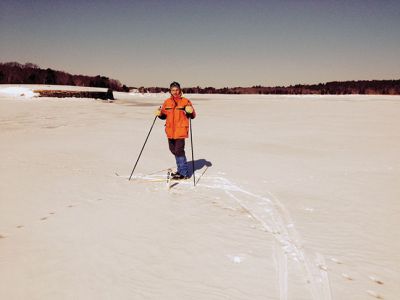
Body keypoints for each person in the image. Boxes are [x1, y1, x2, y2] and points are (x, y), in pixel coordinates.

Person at [155, 81, 196, 179]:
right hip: (170, 131)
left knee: (179, 151)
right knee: (173, 150)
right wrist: (159, 114)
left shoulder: (185, 101)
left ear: (180, 90)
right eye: (173, 90)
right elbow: (164, 115)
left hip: (180, 130)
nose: (175, 92)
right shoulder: (167, 102)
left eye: (177, 90)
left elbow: (193, 115)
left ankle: (184, 173)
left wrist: (189, 111)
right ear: (170, 91)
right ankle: (180, 170)